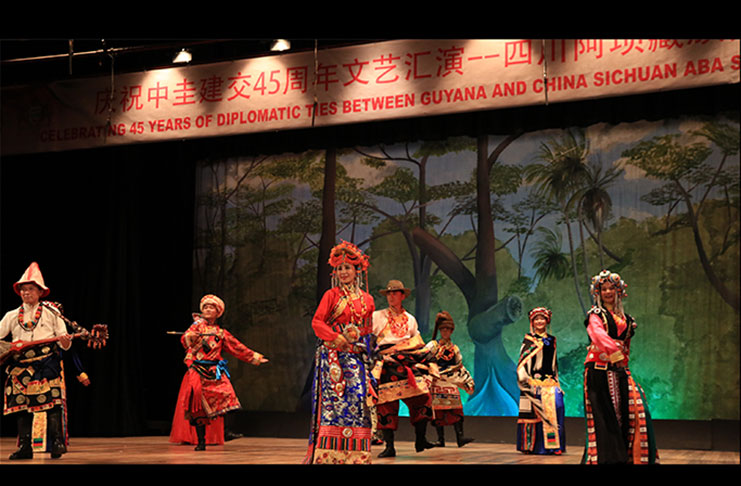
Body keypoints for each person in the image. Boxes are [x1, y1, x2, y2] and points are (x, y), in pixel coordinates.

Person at [304, 241, 376, 464]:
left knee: (357, 399)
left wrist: (369, 349)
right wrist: (336, 337)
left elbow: (367, 330)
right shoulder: (331, 295)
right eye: (339, 268)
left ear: (357, 270)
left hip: (356, 357)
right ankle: (329, 454)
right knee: (334, 402)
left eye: (348, 267)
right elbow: (317, 322)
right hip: (333, 358)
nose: (343, 272)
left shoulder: (367, 299)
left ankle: (357, 454)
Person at [169, 294, 268, 451]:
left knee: (228, 395)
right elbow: (184, 340)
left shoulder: (221, 333)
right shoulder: (196, 327)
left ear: (217, 312)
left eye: (211, 307)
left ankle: (224, 431)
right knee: (197, 405)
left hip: (214, 371)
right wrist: (191, 336)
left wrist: (253, 357)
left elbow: (236, 347)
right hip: (198, 370)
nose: (208, 310)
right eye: (206, 307)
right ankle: (201, 441)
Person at [582, 270, 659, 464]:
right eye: (604, 289)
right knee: (605, 417)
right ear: (598, 293)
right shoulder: (596, 314)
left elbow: (627, 347)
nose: (607, 292)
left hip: (619, 370)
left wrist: (622, 362)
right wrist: (614, 354)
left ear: (618, 291)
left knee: (634, 411)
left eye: (611, 288)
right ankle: (608, 459)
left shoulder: (628, 320)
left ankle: (631, 457)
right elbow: (597, 335)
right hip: (599, 370)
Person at [0, 262, 72, 460]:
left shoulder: (52, 313)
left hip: (47, 363)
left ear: (40, 292)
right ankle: (25, 447)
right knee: (22, 407)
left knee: (52, 404)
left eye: (30, 289)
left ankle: (57, 443)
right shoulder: (12, 316)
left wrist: (65, 342)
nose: (26, 293)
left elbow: (64, 342)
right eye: (23, 289)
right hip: (20, 365)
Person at [371, 279, 436, 458]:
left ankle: (420, 439)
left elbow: (418, 341)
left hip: (407, 360)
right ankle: (389, 446)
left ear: (402, 296)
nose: (391, 296)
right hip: (386, 360)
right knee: (386, 402)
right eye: (389, 293)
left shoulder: (410, 319)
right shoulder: (377, 316)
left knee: (423, 396)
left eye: (395, 293)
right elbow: (369, 338)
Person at [516, 307, 566, 455]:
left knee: (557, 406)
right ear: (532, 322)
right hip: (534, 383)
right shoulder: (529, 340)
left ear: (547, 321)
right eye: (536, 319)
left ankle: (554, 445)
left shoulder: (552, 340)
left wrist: (557, 382)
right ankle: (532, 446)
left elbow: (554, 364)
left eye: (542, 318)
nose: (539, 321)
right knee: (535, 413)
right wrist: (525, 381)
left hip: (550, 383)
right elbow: (522, 363)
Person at [425, 310, 475, 448]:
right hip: (437, 380)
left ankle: (460, 438)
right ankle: (440, 439)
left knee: (456, 410)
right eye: (443, 329)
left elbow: (459, 364)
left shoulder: (454, 348)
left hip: (451, 381)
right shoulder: (433, 346)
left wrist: (466, 380)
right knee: (438, 411)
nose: (446, 332)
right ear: (440, 330)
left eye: (448, 329)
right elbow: (424, 358)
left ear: (451, 331)